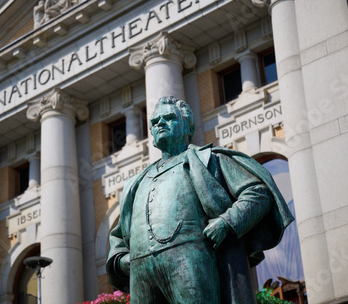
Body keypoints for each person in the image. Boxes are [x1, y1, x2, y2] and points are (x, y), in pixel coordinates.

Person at [106, 96, 294, 304]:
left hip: (191, 260)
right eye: (154, 122)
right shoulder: (135, 183)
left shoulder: (209, 160)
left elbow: (258, 193)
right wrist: (122, 260)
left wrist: (227, 222)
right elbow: (120, 237)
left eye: (168, 118)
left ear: (187, 126)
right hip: (141, 272)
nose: (159, 123)